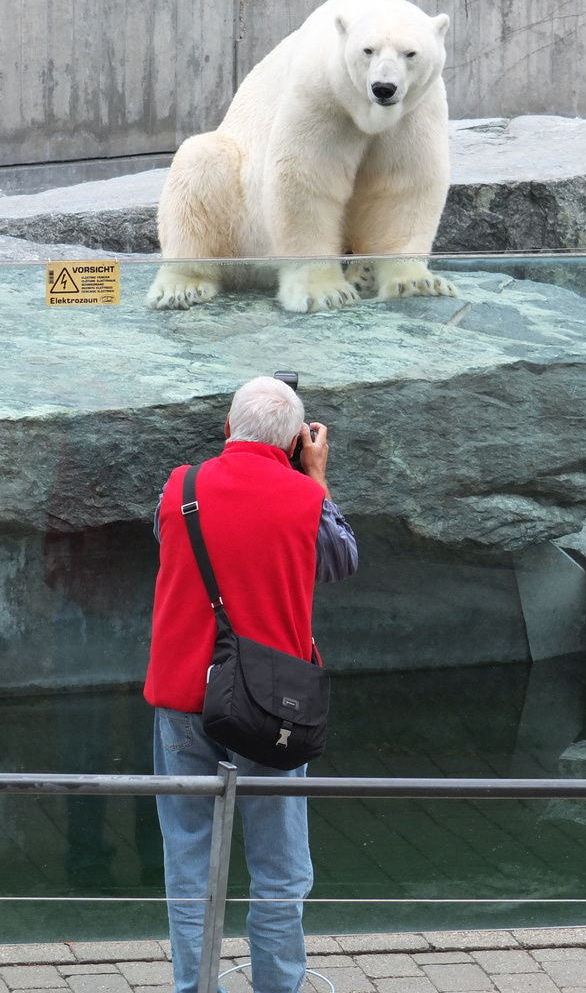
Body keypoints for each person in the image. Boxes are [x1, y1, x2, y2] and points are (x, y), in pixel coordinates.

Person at [144, 376, 358, 993]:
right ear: (296, 440)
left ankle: (196, 986)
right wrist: (314, 475)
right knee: (279, 868)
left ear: (227, 429)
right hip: (274, 705)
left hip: (185, 694)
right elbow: (341, 561)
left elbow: (167, 543)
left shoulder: (179, 488)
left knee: (188, 862)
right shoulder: (304, 500)